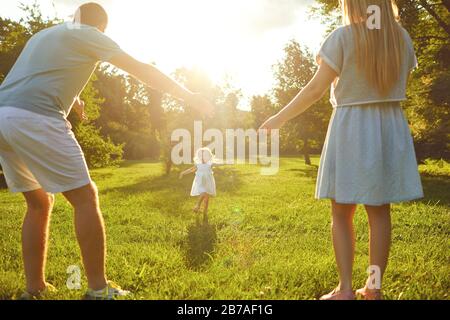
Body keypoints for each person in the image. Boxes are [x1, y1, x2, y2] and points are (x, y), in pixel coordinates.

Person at [0, 2, 213, 300]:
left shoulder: (45, 35)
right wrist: (190, 96)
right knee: (85, 198)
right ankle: (99, 289)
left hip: (3, 116)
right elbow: (142, 70)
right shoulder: (89, 33)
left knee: (37, 203)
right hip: (36, 117)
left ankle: (34, 288)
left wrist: (75, 101)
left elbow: (39, 75)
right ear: (100, 27)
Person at [260, 0, 423, 300]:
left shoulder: (343, 37)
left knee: (341, 212)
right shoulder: (401, 38)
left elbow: (314, 90)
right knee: (379, 212)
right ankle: (373, 288)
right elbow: (399, 86)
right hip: (388, 128)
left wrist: (278, 118)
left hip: (351, 128)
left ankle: (345, 288)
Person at [179, 148, 217, 217]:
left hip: (208, 181)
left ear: (209, 156)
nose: (204, 158)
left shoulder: (210, 164)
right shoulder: (198, 164)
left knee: (206, 197)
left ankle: (205, 211)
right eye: (202, 156)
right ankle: (197, 205)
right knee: (203, 192)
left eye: (206, 156)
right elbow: (191, 169)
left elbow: (220, 164)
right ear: (199, 157)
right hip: (200, 181)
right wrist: (183, 173)